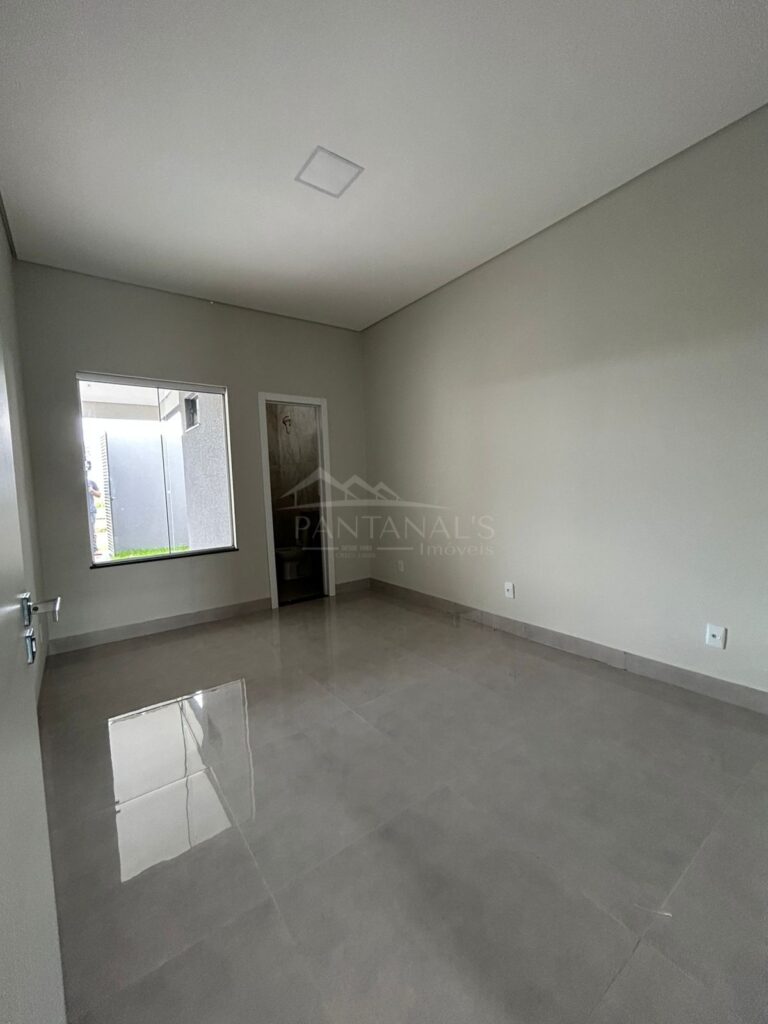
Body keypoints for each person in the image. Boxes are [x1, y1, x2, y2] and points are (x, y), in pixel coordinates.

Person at [85, 460, 101, 557]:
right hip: (80, 511)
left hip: (91, 511)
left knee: (92, 530)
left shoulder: (91, 482)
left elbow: (99, 494)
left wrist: (92, 491)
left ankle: (94, 549)